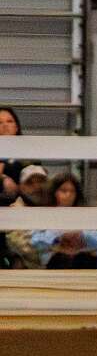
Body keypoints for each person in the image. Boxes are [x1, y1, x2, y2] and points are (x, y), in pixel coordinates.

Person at [38, 172, 97, 269]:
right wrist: (59, 235)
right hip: (53, 264)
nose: (68, 195)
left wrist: (80, 234)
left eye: (72, 191)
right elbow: (36, 242)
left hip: (83, 263)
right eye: (63, 191)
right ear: (54, 192)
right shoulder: (44, 214)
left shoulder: (83, 214)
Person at [5, 165, 53, 268]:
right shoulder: (15, 211)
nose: (37, 186)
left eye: (41, 181)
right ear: (21, 188)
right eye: (29, 183)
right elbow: (23, 247)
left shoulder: (56, 207)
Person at [0, 106, 24, 265]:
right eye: (0, 122)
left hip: (19, 210)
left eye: (9, 121)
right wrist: (3, 177)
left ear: (16, 127)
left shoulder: (30, 153)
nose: (5, 125)